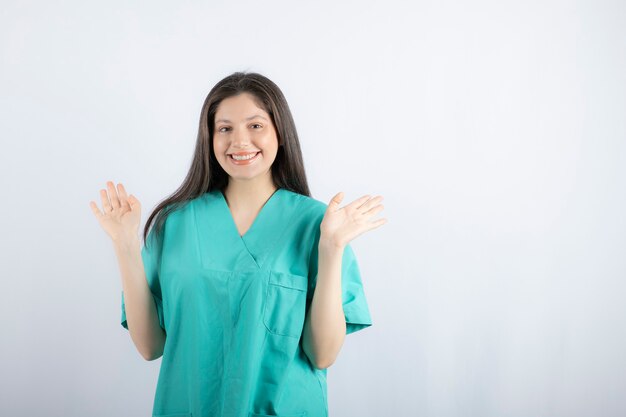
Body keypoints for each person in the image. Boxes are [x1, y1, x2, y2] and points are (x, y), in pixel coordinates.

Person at [89, 71, 387, 417]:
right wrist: (124, 244)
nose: (240, 141)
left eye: (256, 126)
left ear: (280, 133)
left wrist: (332, 249)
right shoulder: (176, 224)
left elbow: (322, 354)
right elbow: (150, 346)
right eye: (225, 128)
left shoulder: (321, 225)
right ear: (210, 138)